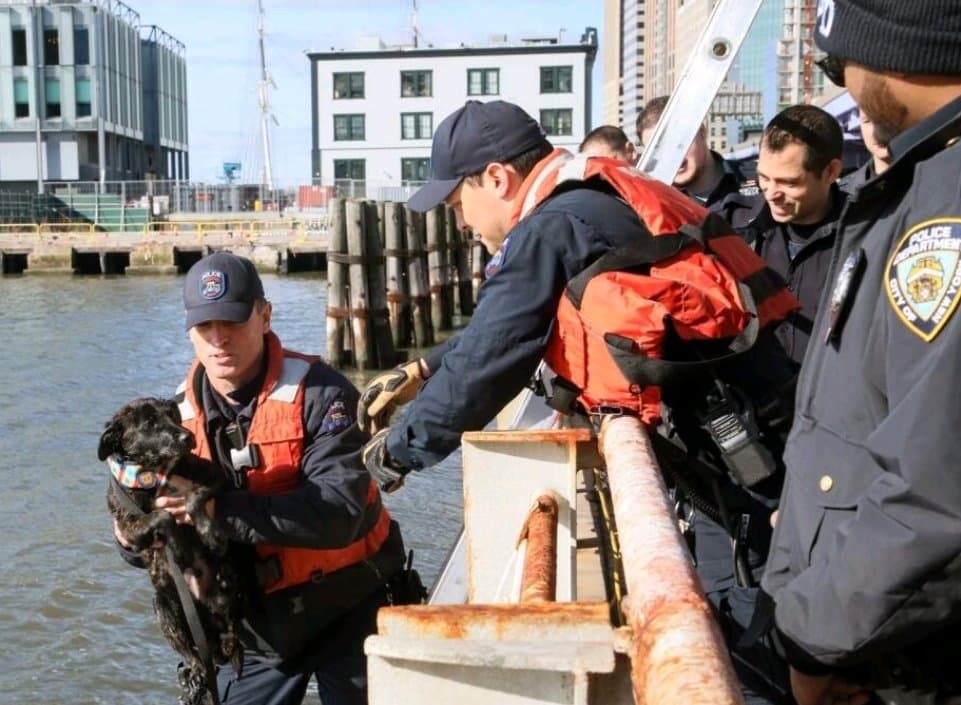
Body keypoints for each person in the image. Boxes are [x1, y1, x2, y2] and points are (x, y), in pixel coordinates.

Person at [358, 99, 799, 705]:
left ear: (496, 178)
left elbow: (492, 359)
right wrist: (422, 367)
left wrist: (397, 452)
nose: (460, 221)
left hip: (742, 470)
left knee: (749, 650)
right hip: (765, 434)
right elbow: (509, 327)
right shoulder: (589, 200)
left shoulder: (547, 228)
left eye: (458, 202)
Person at [760, 2, 961, 704]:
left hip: (888, 659)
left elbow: (937, 487)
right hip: (861, 621)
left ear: (897, 52)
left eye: (839, 61)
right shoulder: (914, 187)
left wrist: (813, 640)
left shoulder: (945, 210)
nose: (841, 79)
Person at [114, 251, 406, 705]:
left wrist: (217, 510)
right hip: (256, 628)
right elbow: (151, 545)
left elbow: (343, 512)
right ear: (189, 331)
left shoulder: (323, 395)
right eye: (204, 327)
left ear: (264, 316)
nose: (218, 339)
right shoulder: (170, 422)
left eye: (231, 322)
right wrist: (130, 538)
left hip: (351, 603)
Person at [739, 104, 846, 366]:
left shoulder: (862, 239)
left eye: (789, 182)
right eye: (764, 177)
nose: (771, 193)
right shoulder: (740, 234)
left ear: (831, 172)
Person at [637, 95, 758, 227]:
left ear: (701, 132)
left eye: (678, 144)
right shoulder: (657, 211)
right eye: (658, 151)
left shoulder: (762, 182)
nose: (671, 157)